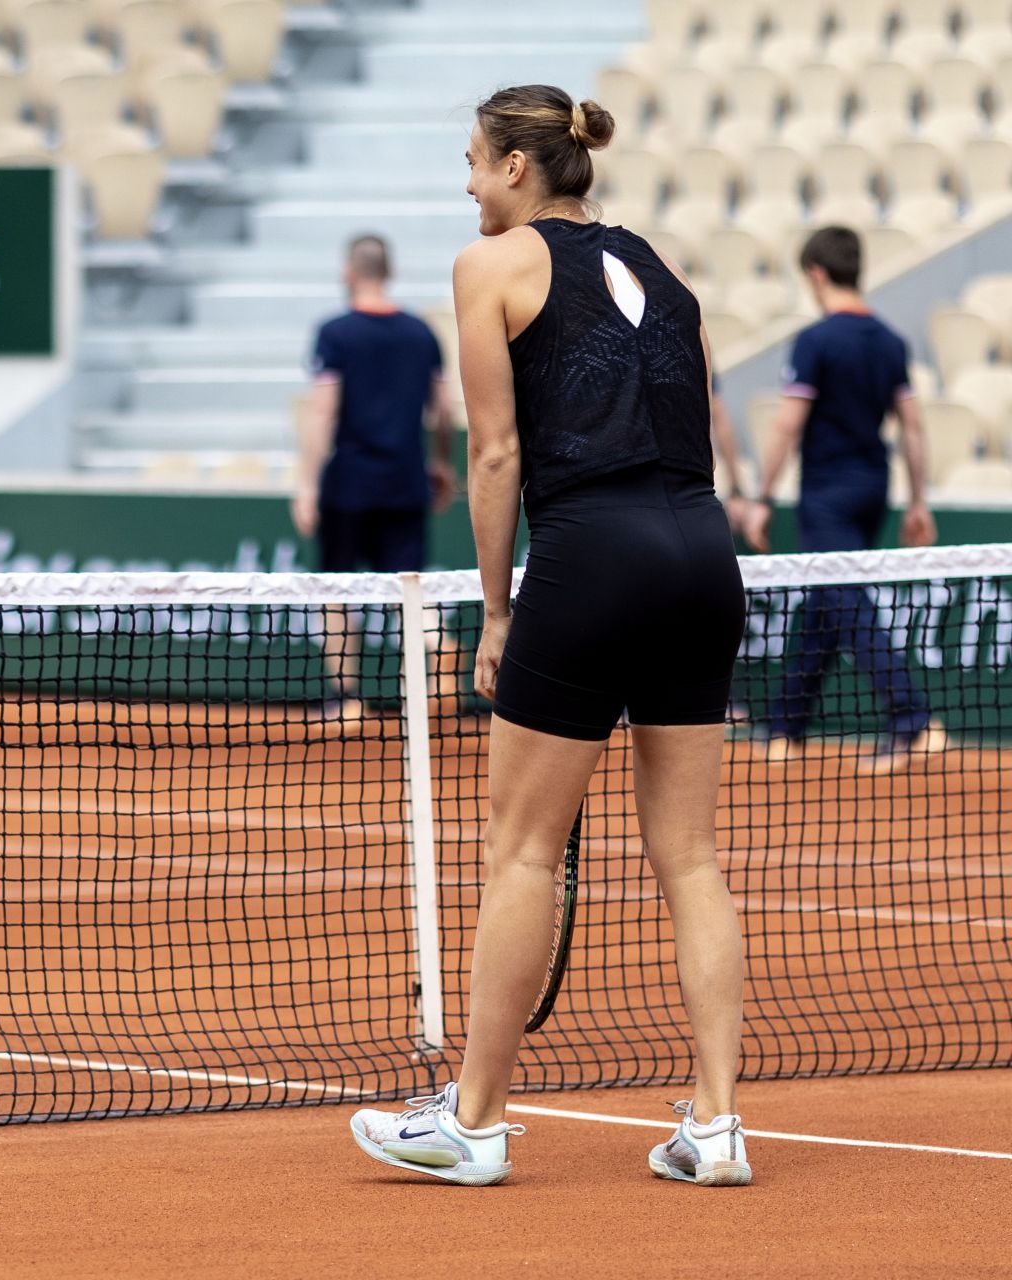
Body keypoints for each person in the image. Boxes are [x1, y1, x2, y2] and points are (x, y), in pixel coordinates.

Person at [345, 85, 752, 1187]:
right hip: (701, 554)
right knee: (694, 854)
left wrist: (498, 611)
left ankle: (472, 1121)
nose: (468, 182)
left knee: (521, 847)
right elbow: (696, 422)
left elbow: (494, 456)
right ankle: (716, 1126)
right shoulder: (664, 271)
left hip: (593, 554)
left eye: (474, 161)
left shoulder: (491, 266)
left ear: (518, 169)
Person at [740, 227, 945, 772]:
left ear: (815, 274)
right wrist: (918, 500)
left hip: (828, 494)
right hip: (874, 490)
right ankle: (786, 725)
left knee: (844, 602)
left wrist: (761, 497)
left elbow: (786, 425)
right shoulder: (891, 341)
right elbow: (914, 427)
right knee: (825, 604)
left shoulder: (816, 341)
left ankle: (911, 719)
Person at [292, 235, 456, 720]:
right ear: (389, 270)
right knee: (410, 588)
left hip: (349, 484)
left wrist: (306, 483)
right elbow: (443, 410)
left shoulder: (336, 333)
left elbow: (322, 412)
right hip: (405, 482)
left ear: (349, 271)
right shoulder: (420, 334)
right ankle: (436, 643)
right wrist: (442, 463)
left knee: (337, 593)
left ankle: (346, 699)